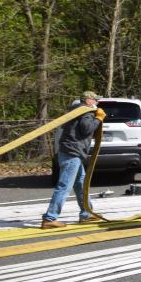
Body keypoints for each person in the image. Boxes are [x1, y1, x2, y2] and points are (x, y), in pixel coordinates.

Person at [41, 91, 106, 229]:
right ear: (88, 100)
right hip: (72, 153)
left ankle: (86, 213)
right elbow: (86, 129)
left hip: (70, 152)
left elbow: (80, 131)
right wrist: (98, 118)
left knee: (80, 183)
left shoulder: (76, 111)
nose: (97, 104)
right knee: (64, 186)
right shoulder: (85, 112)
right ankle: (50, 218)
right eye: (95, 101)